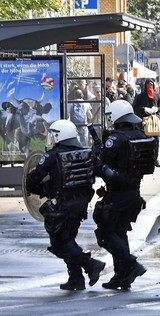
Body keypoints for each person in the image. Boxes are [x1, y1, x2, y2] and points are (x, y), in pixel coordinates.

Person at [25, 119, 105, 290]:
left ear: (60, 136)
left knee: (59, 242)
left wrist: (43, 190)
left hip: (63, 205)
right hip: (81, 204)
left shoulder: (52, 156)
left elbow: (32, 180)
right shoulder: (87, 153)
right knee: (69, 240)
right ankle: (76, 279)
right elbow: (99, 170)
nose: (51, 139)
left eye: (53, 135)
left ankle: (91, 264)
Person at [94, 100, 157, 290]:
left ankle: (131, 264)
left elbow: (101, 165)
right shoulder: (140, 135)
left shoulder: (115, 138)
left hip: (117, 193)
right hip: (134, 193)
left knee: (106, 233)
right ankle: (121, 276)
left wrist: (97, 153)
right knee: (119, 232)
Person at [133, 78, 160, 167]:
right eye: (148, 85)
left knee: (156, 141)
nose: (150, 87)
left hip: (155, 121)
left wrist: (157, 109)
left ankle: (155, 159)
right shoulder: (140, 96)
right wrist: (144, 109)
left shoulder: (157, 95)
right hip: (144, 122)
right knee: (145, 141)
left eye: (151, 85)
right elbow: (135, 107)